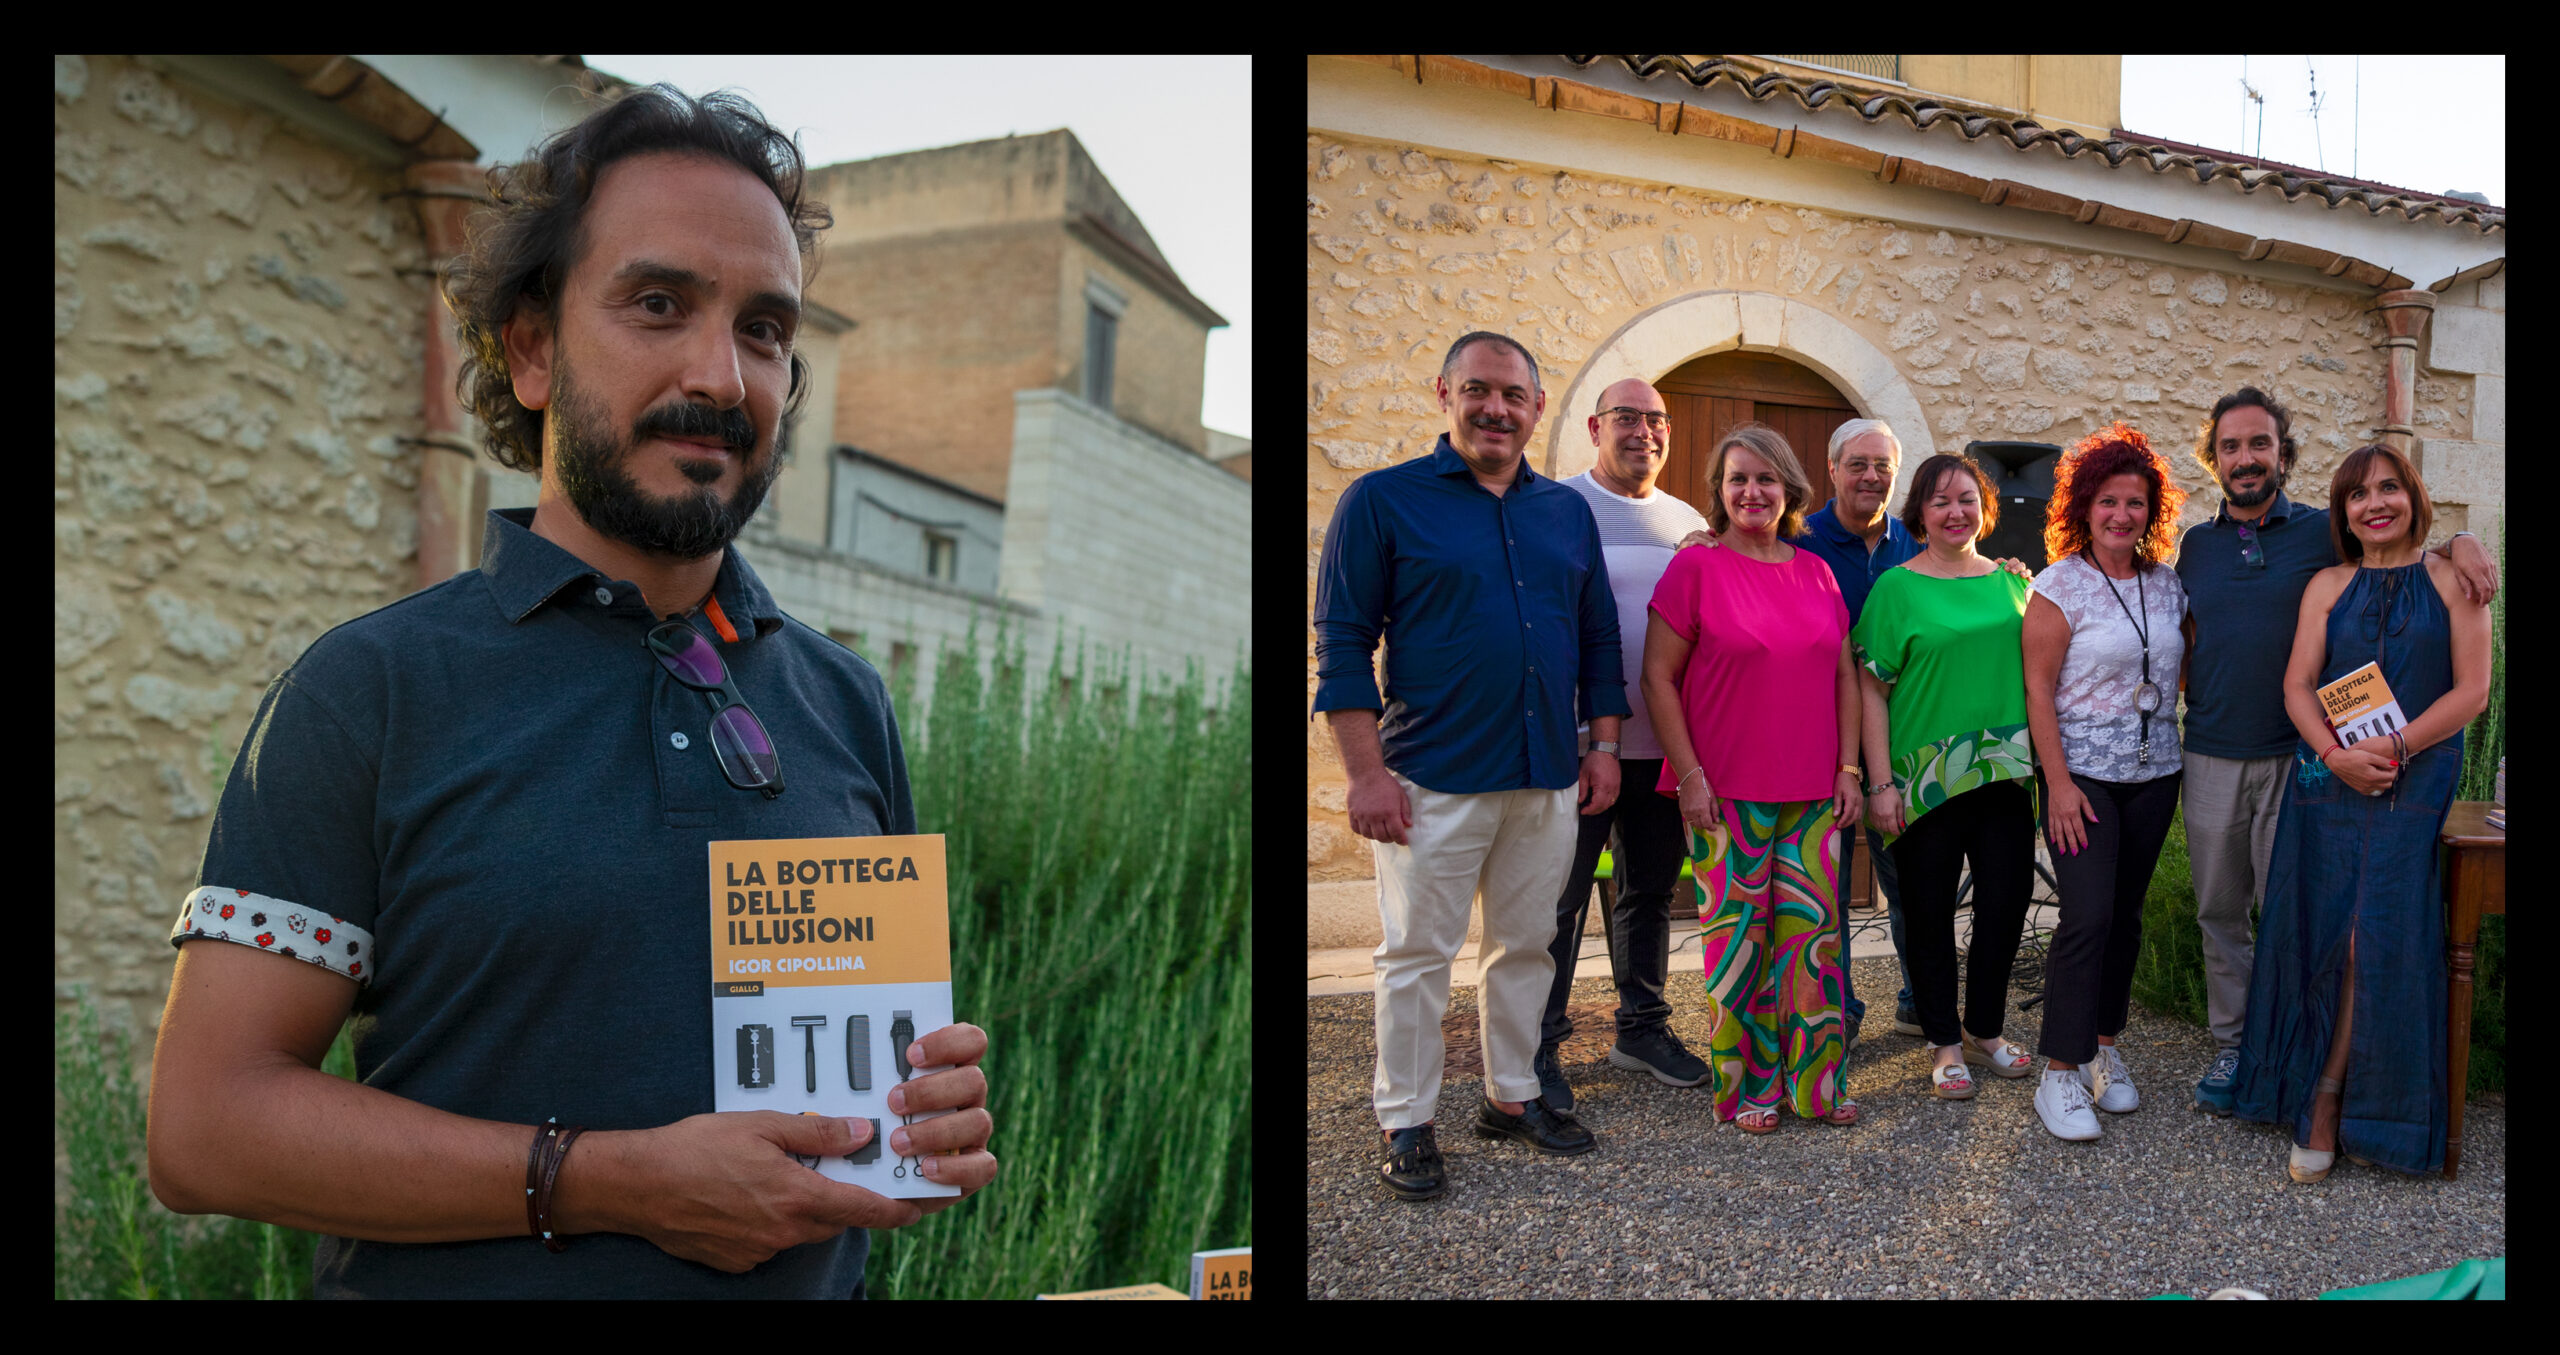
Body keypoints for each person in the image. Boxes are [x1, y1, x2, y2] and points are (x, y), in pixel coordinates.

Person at [146, 86, 998, 1298]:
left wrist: (925, 1107)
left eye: (764, 330)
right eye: (659, 305)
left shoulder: (843, 698)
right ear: (532, 347)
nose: (721, 373)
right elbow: (204, 1127)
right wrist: (601, 1178)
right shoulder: (370, 689)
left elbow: (849, 1076)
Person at [1312, 329, 1630, 1202]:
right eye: (1479, 391)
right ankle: (1407, 1116)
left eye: (1514, 396)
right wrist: (1367, 774)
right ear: (1444, 393)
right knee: (1417, 954)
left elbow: (1599, 635)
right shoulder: (1381, 502)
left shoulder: (1564, 512)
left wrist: (1603, 746)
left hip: (1545, 774)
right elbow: (1342, 644)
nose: (1497, 409)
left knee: (1527, 945)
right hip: (1430, 778)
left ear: (1535, 407)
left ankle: (1511, 1095)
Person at [2172, 388, 2498, 1116]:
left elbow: (2397, 549)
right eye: (2230, 446)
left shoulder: (2321, 531)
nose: (2245, 458)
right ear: (2214, 458)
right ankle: (2240, 1043)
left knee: (2299, 915)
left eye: (2259, 444)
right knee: (2220, 910)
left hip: (2306, 759)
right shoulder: (2196, 543)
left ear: (2282, 453)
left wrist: (2459, 542)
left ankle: (2309, 1064)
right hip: (2221, 749)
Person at [2232, 444, 2491, 1181]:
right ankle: (2310, 1086)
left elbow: (2473, 690)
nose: (2374, 503)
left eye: (2389, 488)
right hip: (2328, 773)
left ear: (2413, 495)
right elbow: (2297, 684)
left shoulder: (2454, 574)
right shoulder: (2325, 584)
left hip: (2415, 779)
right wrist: (2335, 753)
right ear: (2342, 510)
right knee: (2320, 925)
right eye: (2357, 494)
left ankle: (2341, 1097)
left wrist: (2396, 746)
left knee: (2375, 935)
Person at [1642, 423, 1863, 1132]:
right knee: (1740, 946)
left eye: (1766, 479)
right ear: (1719, 492)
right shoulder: (1695, 570)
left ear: (1790, 489)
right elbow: (1657, 677)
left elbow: (1844, 677)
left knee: (1812, 946)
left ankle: (1818, 1088)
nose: (1752, 491)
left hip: (1812, 793)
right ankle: (1747, 1089)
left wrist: (1850, 768)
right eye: (1738, 479)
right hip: (1725, 792)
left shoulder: (1817, 571)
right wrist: (1689, 775)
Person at [1537, 379, 1714, 1109]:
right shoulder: (1557, 507)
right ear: (1593, 426)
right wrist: (1583, 736)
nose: (1644, 431)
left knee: (1645, 891)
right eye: (1627, 418)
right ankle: (1537, 1043)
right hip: (1576, 748)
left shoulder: (1687, 519)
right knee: (1561, 899)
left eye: (1656, 419)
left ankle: (1640, 1025)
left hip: (1661, 749)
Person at [2020, 423, 2190, 1141]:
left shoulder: (2166, 582)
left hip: (2156, 774)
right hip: (2082, 778)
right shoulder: (2058, 585)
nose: (2122, 515)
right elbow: (2037, 686)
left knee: (2126, 917)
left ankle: (2106, 1052)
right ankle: (2060, 1070)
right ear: (2084, 507)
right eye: (2109, 502)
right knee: (2086, 917)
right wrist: (2056, 784)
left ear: (2152, 512)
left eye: (2136, 503)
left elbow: (2178, 668)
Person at [1853, 453, 2040, 1100]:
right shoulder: (1896, 589)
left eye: (1966, 499)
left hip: (2006, 774)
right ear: (1920, 516)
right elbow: (1870, 688)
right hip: (1923, 780)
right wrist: (1880, 783)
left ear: (1985, 507)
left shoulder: (2015, 584)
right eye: (1940, 502)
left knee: (2004, 908)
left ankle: (1985, 1030)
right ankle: (1943, 1042)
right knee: (1928, 914)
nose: (1955, 512)